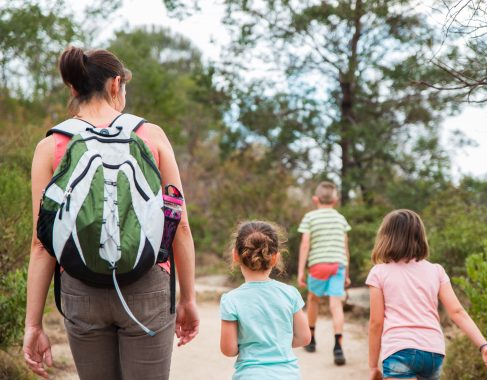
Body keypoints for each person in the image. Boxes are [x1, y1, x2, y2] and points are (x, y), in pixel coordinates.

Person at [23, 46, 199, 380]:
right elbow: (180, 225)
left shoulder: (51, 146)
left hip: (80, 288)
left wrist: (33, 324)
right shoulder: (151, 136)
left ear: (73, 88)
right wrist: (187, 299)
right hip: (147, 284)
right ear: (116, 85)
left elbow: (40, 242)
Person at [366, 209, 487, 380]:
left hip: (398, 349)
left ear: (385, 237)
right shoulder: (436, 271)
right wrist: (483, 346)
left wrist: (372, 366)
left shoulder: (379, 273)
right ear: (420, 237)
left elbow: (376, 323)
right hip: (433, 352)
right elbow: (458, 312)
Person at [220, 221, 311, 379]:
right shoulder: (290, 293)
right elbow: (304, 337)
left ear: (235, 255)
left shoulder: (231, 300)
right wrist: (277, 344)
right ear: (275, 258)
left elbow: (228, 349)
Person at [297, 181, 351, 365]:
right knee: (336, 305)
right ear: (335, 200)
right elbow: (345, 249)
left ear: (315, 199)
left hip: (318, 265)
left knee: (313, 300)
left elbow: (305, 245)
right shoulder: (341, 219)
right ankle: (338, 346)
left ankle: (311, 339)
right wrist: (347, 273)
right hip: (338, 265)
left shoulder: (310, 217)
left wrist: (300, 271)